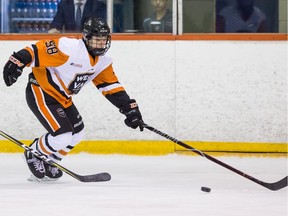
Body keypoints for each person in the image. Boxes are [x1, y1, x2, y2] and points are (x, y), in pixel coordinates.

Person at [3, 17, 144, 181]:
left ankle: (51, 161)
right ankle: (34, 152)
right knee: (62, 136)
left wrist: (130, 109)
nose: (100, 44)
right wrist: (17, 60)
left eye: (103, 40)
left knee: (77, 133)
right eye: (97, 40)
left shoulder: (103, 62)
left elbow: (111, 87)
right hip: (41, 91)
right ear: (86, 37)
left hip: (63, 98)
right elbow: (36, 50)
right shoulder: (69, 47)